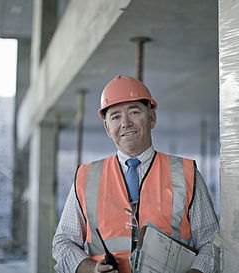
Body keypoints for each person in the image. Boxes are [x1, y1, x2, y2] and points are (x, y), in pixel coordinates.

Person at [52, 75, 220, 273]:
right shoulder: (86, 177)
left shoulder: (186, 174)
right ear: (107, 127)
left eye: (134, 112)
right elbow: (63, 242)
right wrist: (91, 268)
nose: (125, 123)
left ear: (152, 118)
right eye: (115, 117)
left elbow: (212, 244)